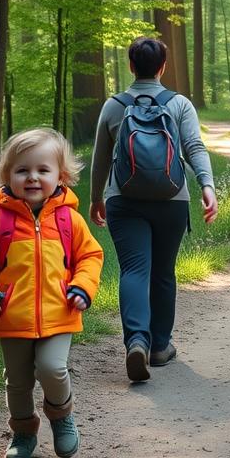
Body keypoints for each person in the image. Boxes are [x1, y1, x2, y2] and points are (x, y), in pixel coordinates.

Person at [0, 128, 104, 458]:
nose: (32, 177)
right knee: (18, 382)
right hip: (10, 316)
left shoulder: (70, 219)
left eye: (43, 170)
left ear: (61, 176)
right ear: (7, 175)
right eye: (22, 170)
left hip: (60, 313)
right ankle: (24, 432)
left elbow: (90, 256)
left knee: (53, 369)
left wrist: (83, 286)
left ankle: (61, 416)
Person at [90, 36, 218, 383]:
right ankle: (160, 346)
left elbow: (101, 158)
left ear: (131, 66)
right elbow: (194, 147)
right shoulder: (179, 104)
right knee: (163, 272)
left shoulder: (114, 105)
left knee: (134, 270)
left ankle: (136, 341)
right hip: (171, 200)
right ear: (163, 67)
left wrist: (95, 197)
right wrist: (206, 185)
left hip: (124, 199)